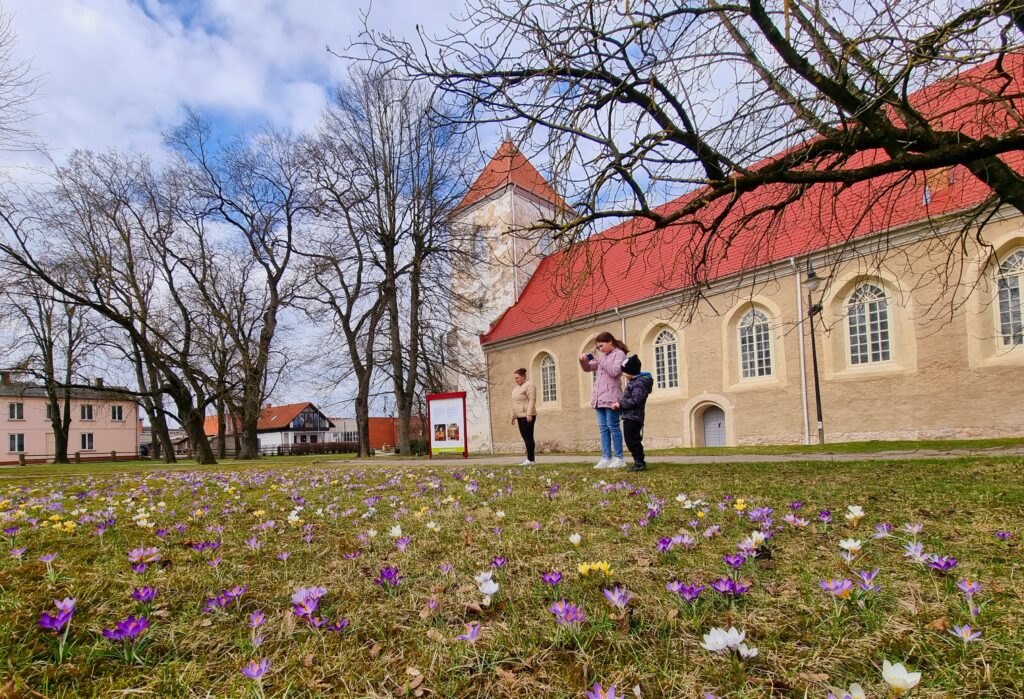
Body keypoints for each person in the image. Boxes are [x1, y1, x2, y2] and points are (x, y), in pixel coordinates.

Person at [579, 331, 628, 469]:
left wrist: (599, 359)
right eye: (598, 347)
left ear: (610, 342)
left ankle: (619, 458)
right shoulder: (603, 356)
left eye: (601, 345)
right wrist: (583, 361)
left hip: (612, 397)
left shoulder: (619, 354)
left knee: (613, 427)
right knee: (603, 429)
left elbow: (614, 371)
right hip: (599, 397)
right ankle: (606, 457)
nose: (600, 349)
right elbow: (588, 368)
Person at [612, 354, 653, 472]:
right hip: (629, 416)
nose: (623, 374)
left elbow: (636, 400)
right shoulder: (634, 381)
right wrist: (619, 404)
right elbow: (628, 398)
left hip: (634, 417)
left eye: (624, 372)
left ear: (631, 371)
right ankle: (638, 461)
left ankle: (639, 463)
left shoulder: (639, 383)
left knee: (633, 440)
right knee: (631, 440)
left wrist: (620, 405)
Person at [510, 367, 537, 466]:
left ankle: (531, 459)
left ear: (523, 376)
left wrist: (529, 414)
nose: (515, 380)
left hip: (527, 415)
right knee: (525, 437)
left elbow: (532, 400)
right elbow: (515, 403)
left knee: (529, 437)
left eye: (517, 378)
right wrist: (513, 416)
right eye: (515, 378)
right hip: (519, 416)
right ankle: (529, 459)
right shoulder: (516, 389)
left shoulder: (529, 385)